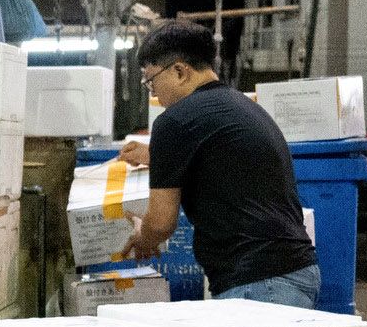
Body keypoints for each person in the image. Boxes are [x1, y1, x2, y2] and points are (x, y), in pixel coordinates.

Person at [118, 20, 322, 307]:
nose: (154, 93)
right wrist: (153, 155)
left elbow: (162, 223)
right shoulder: (241, 106)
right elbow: (223, 164)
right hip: (294, 271)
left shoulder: (174, 121)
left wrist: (144, 236)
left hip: (258, 282)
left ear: (179, 71)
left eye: (151, 81)